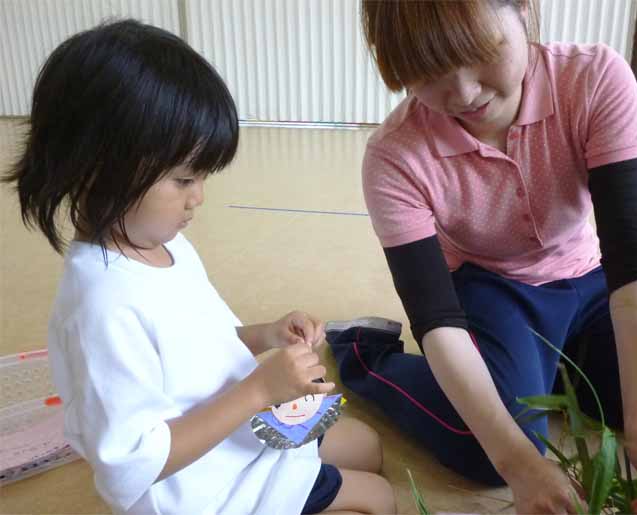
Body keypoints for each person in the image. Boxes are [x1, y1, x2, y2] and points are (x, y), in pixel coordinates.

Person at [326, 1, 637, 514]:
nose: (464, 93)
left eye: (480, 51)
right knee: (484, 449)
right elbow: (437, 319)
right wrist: (516, 460)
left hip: (593, 276)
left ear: (524, 10)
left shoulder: (594, 78)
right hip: (492, 287)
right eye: (428, 72)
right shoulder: (395, 156)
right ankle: (364, 350)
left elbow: (633, 254)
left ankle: (559, 367)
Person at [3, 20, 395, 515]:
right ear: (96, 168)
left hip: (239, 438)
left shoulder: (164, 244)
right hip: (204, 490)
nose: (198, 198)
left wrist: (266, 334)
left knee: (367, 446)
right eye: (184, 180)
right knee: (378, 499)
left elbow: (197, 350)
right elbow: (133, 465)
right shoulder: (101, 308)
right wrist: (259, 390)